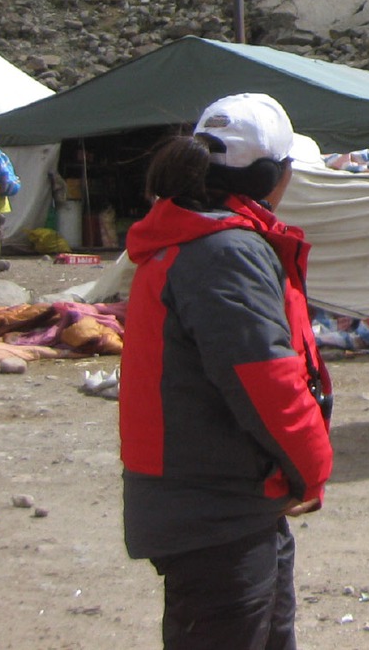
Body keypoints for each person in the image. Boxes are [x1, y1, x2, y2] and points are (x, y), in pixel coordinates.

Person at [121, 92, 333, 650]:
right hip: (217, 510)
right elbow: (262, 377)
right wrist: (311, 467)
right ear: (273, 176)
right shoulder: (225, 251)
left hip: (228, 499)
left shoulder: (195, 237)